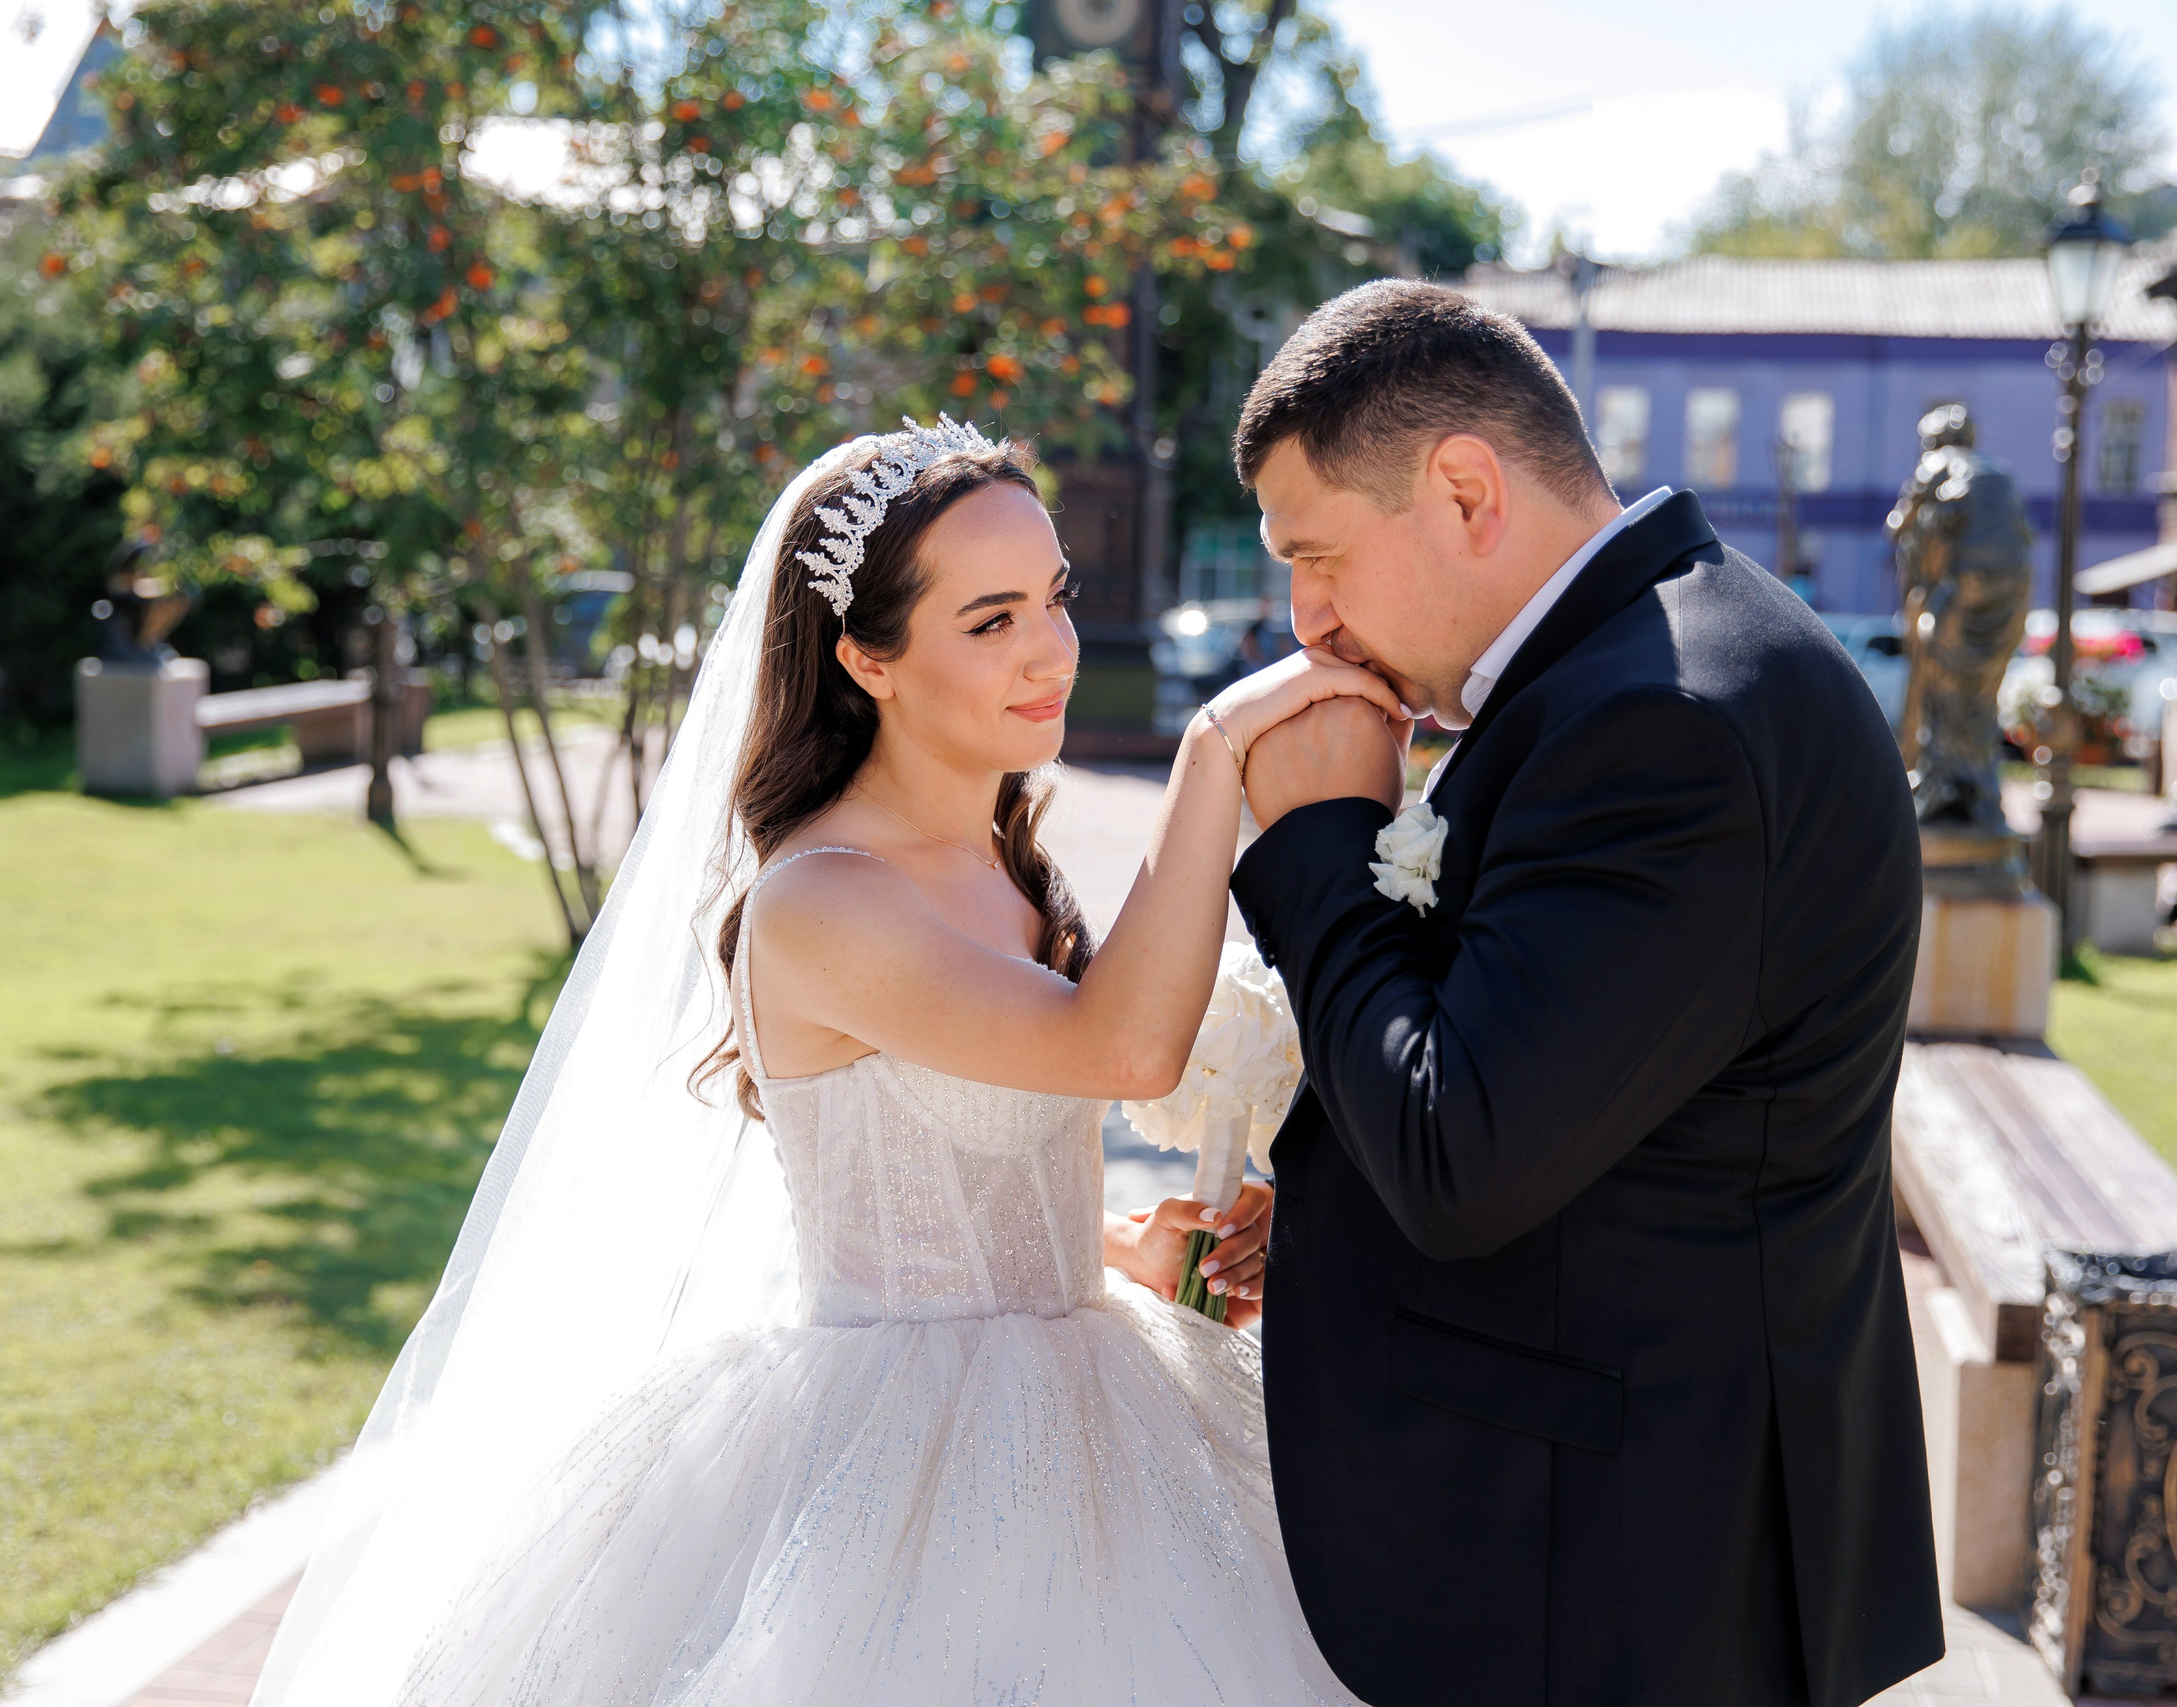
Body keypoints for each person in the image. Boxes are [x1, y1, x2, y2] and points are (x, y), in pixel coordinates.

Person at [250, 421, 1398, 1705]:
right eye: (990, 619)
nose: (1050, 649)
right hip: (894, 1460)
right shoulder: (822, 900)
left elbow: (970, 1133)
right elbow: (1118, 1049)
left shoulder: (1004, 862)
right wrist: (1216, 754)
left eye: (1055, 598)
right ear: (867, 659)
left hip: (1094, 1388)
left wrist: (1105, 1247)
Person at [1221, 281, 1944, 1705]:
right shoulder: (1669, 657)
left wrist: (1316, 847)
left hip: (1607, 1579)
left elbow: (1462, 1146)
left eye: (1317, 556)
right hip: (1623, 1531)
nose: (1304, 620)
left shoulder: (1656, 720)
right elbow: (1570, 1081)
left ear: (1466, 488)